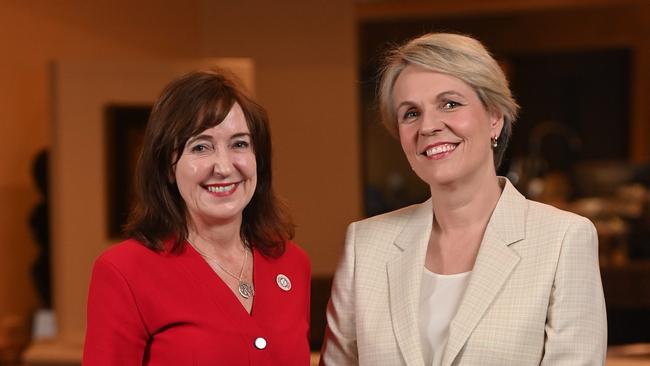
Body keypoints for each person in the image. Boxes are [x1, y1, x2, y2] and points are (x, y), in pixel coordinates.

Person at [320, 33, 606, 366]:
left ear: (495, 117)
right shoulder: (365, 244)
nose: (427, 126)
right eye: (410, 113)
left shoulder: (563, 239)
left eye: (450, 103)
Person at [83, 70, 311, 365]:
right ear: (167, 166)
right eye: (201, 147)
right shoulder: (123, 271)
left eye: (239, 144)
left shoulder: (292, 263)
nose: (224, 166)